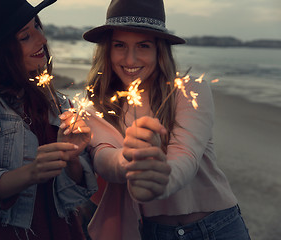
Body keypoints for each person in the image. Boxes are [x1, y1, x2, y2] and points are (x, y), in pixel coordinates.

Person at [82, 0, 251, 239]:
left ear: (159, 50)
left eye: (143, 46)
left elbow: (186, 155)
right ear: (107, 49)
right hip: (153, 233)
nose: (130, 60)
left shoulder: (189, 91)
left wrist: (161, 179)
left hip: (217, 226)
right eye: (120, 45)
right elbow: (103, 156)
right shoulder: (95, 106)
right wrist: (127, 160)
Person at [0, 0, 97, 239]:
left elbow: (73, 196)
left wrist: (72, 159)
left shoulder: (56, 99)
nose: (42, 40)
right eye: (25, 36)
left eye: (37, 27)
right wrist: (30, 173)